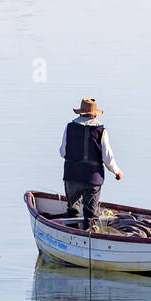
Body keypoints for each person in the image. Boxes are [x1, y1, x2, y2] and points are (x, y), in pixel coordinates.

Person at [60, 98, 122, 229]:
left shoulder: (70, 127)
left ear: (80, 113)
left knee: (73, 212)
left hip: (71, 176)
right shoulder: (101, 130)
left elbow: (63, 152)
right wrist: (117, 172)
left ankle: (72, 232)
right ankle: (89, 234)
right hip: (92, 179)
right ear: (94, 115)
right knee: (91, 216)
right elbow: (107, 158)